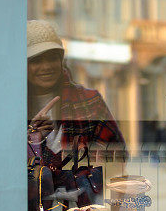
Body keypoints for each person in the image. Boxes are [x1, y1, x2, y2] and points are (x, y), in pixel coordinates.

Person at [26, 19, 125, 170]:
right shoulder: (10, 106)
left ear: (61, 60)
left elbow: (115, 156)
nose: (46, 67)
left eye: (52, 58)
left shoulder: (90, 101)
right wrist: (33, 138)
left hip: (83, 192)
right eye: (36, 60)